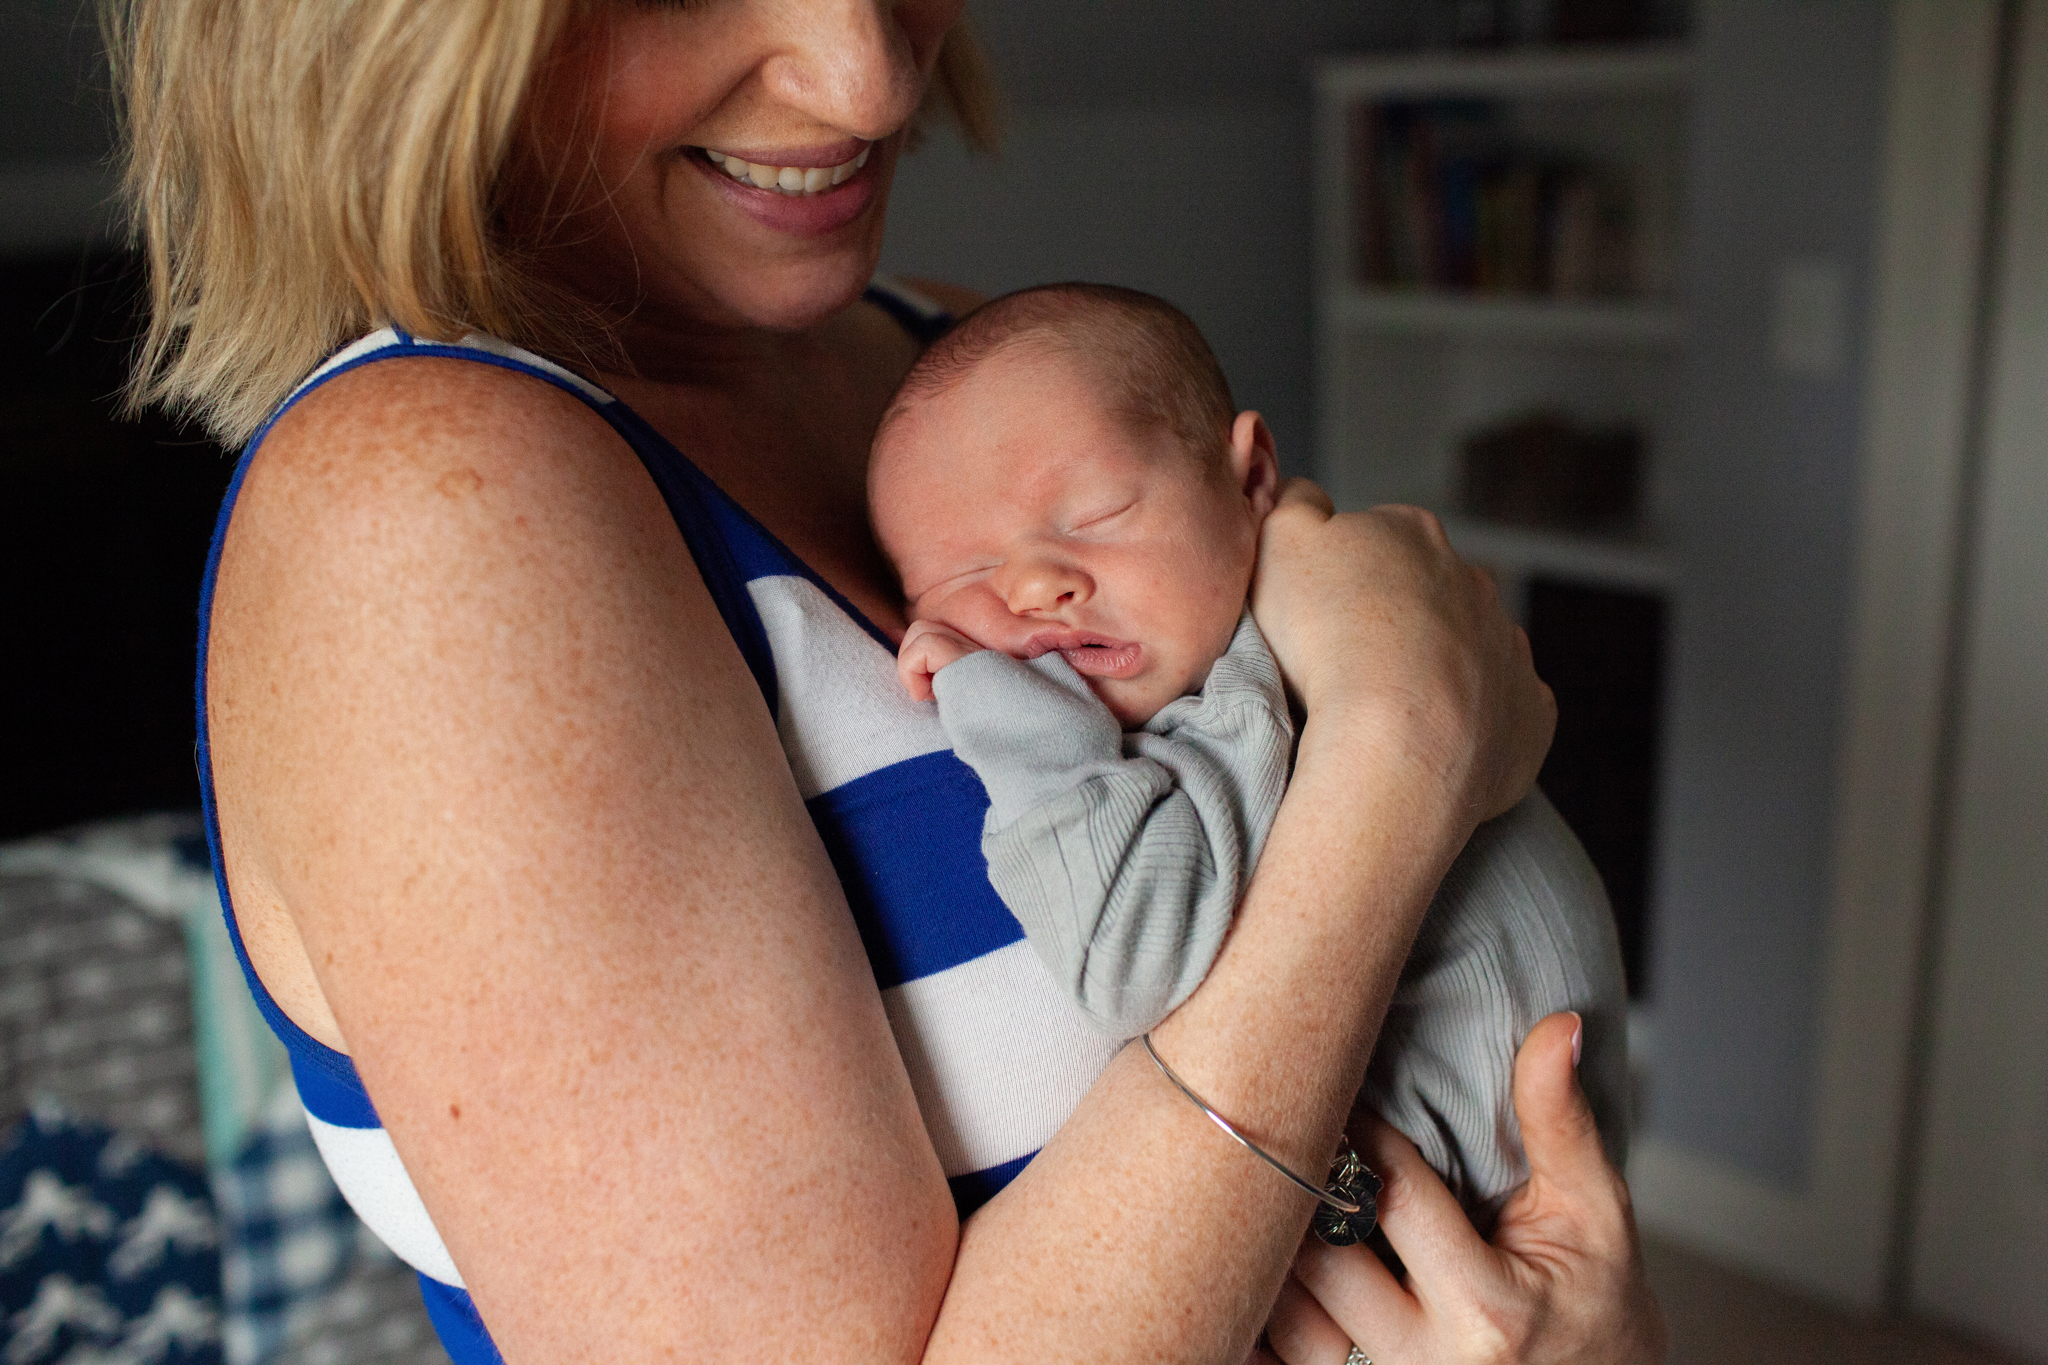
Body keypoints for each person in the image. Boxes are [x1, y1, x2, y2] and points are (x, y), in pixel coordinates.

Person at [109, 0, 1665, 1361]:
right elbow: (1407, 712)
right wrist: (1400, 757)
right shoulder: (424, 512)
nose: (867, 77)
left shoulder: (972, 361)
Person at [871, 283, 1630, 1228]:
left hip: (1461, 1197)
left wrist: (998, 704)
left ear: (1249, 475)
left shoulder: (1241, 706)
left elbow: (1128, 955)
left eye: (1096, 513)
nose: (1033, 585)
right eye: (964, 576)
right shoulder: (1298, 637)